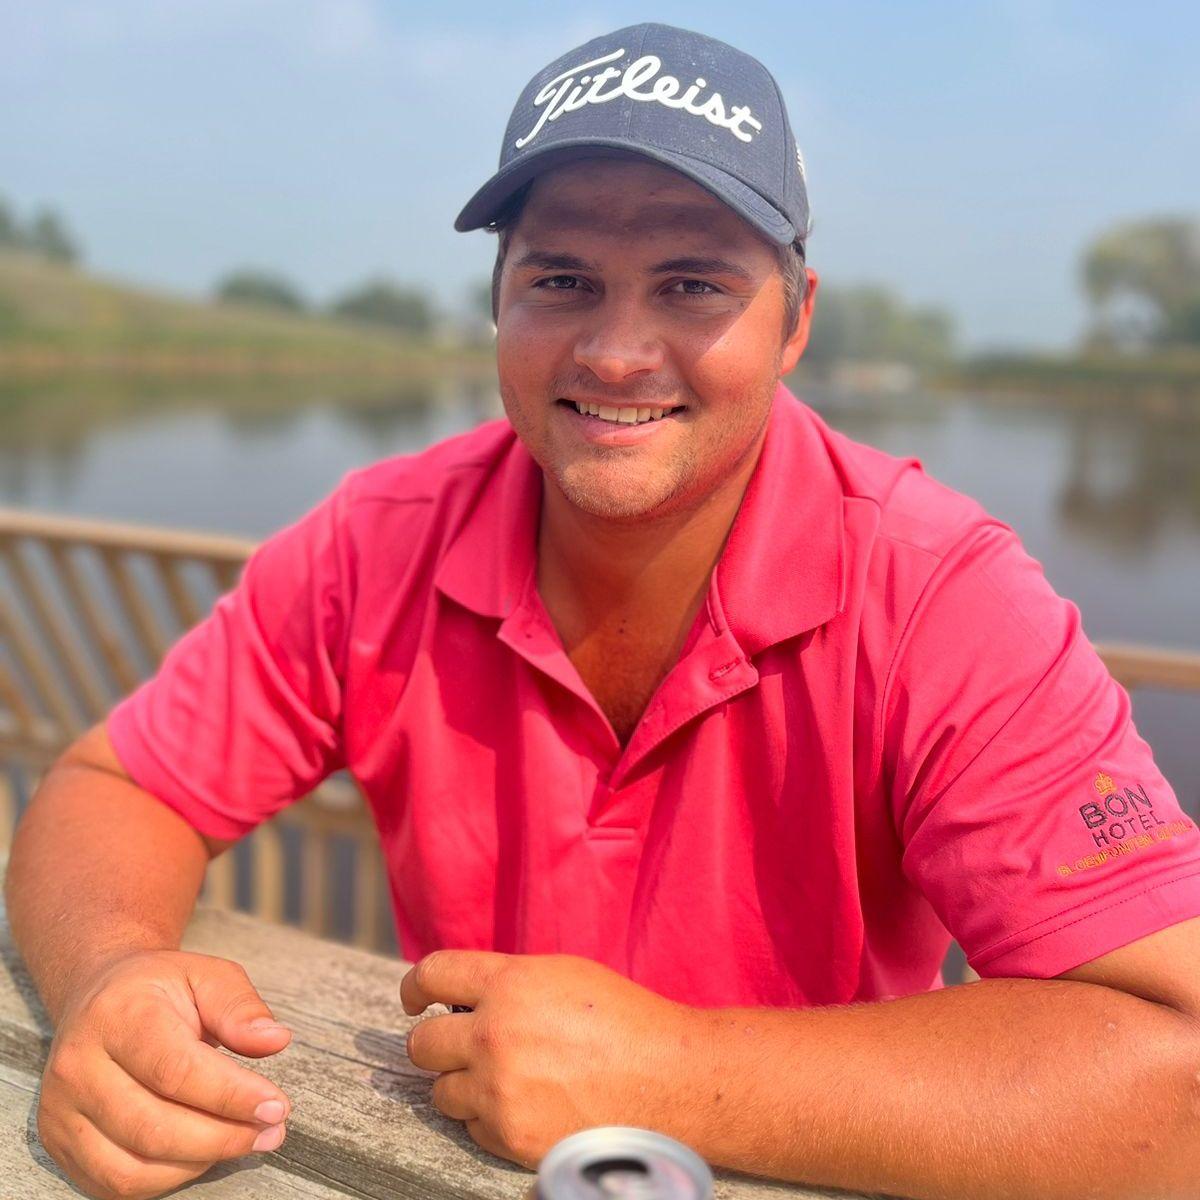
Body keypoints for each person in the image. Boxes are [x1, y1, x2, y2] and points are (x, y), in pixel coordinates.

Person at [8, 21, 1200, 1200]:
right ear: (498, 305)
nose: (618, 352)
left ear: (795, 320)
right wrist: (113, 971)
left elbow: (1177, 1072)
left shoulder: (942, 596)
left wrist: (673, 1075)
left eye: (693, 284)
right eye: (562, 280)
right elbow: (121, 786)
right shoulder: (378, 542)